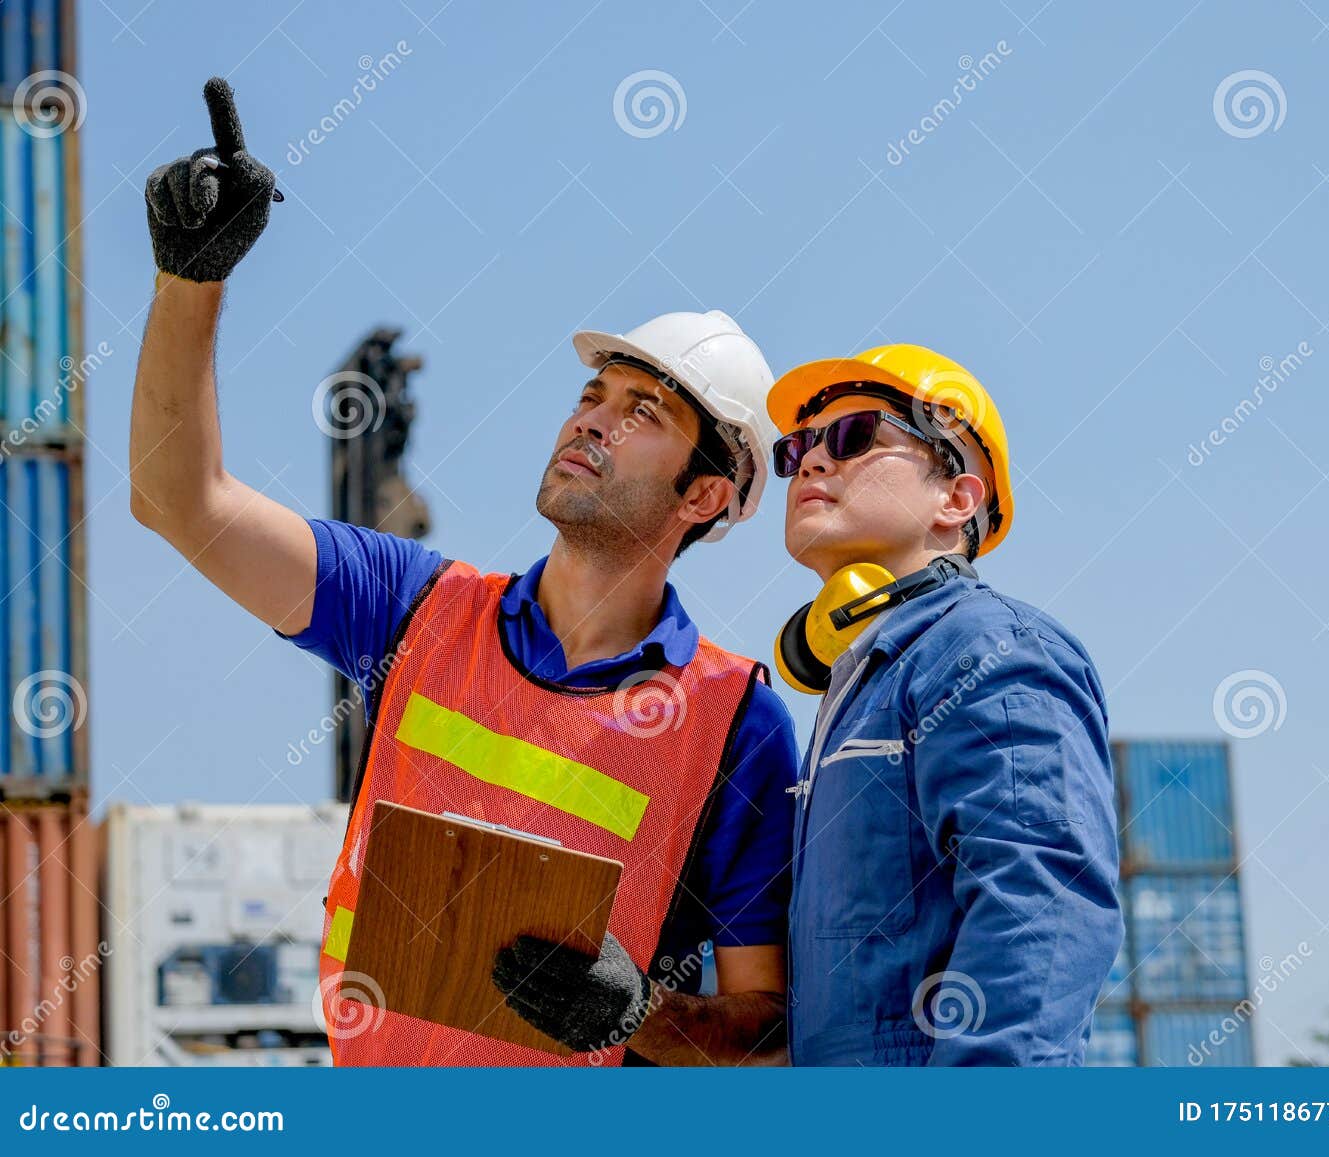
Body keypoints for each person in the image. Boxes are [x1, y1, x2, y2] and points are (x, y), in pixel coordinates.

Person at [132, 78, 796, 1067]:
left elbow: (768, 1029)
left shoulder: (735, 722)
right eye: (592, 393)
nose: (590, 419)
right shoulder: (412, 608)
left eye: (641, 412)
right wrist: (191, 279)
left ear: (704, 497)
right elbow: (179, 500)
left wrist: (640, 1018)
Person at [765, 344, 1122, 1065]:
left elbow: (1041, 907)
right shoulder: (864, 682)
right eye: (797, 447)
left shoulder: (991, 648)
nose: (811, 461)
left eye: (853, 435)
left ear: (956, 499)